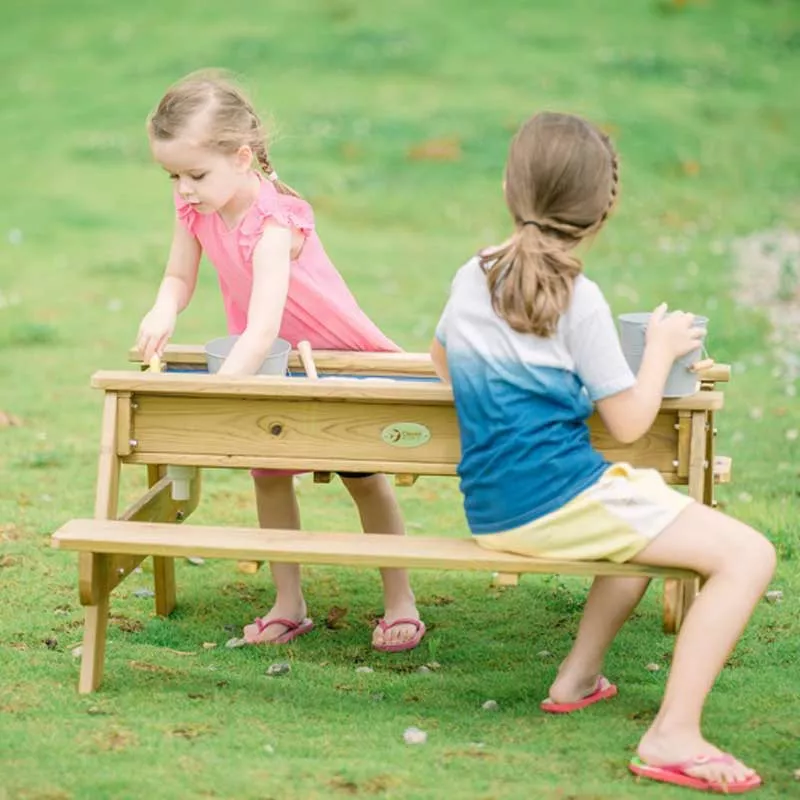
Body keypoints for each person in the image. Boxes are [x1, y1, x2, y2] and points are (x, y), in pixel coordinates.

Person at [430, 111, 774, 793]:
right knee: (748, 555)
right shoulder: (577, 299)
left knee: (651, 515)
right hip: (553, 501)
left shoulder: (471, 278)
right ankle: (673, 734)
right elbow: (628, 421)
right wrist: (666, 350)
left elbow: (443, 362)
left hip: (493, 508)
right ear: (600, 214)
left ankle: (577, 678)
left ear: (509, 188)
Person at [136, 70, 424, 652]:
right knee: (267, 474)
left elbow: (267, 319)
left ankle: (401, 601)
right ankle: (288, 604)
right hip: (267, 359)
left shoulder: (275, 221)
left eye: (195, 174)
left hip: (336, 358)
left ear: (242, 157)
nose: (184, 188)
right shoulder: (194, 205)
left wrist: (221, 396)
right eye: (174, 175)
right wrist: (163, 309)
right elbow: (178, 274)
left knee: (363, 478)